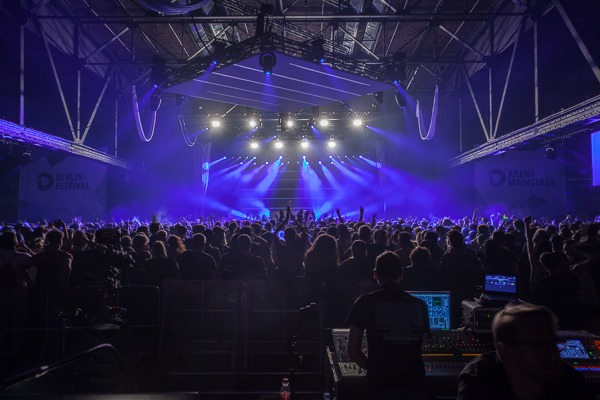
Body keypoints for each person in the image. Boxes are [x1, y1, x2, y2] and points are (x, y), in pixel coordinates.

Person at [457, 302, 594, 400]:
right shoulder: (480, 381)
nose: (553, 354)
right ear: (505, 350)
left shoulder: (572, 383)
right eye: (538, 346)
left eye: (553, 343)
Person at [346, 251, 430, 400]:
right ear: (401, 274)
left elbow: (353, 350)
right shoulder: (420, 305)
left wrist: (373, 369)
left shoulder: (364, 302)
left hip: (380, 384)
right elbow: (420, 345)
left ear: (375, 274)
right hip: (414, 383)